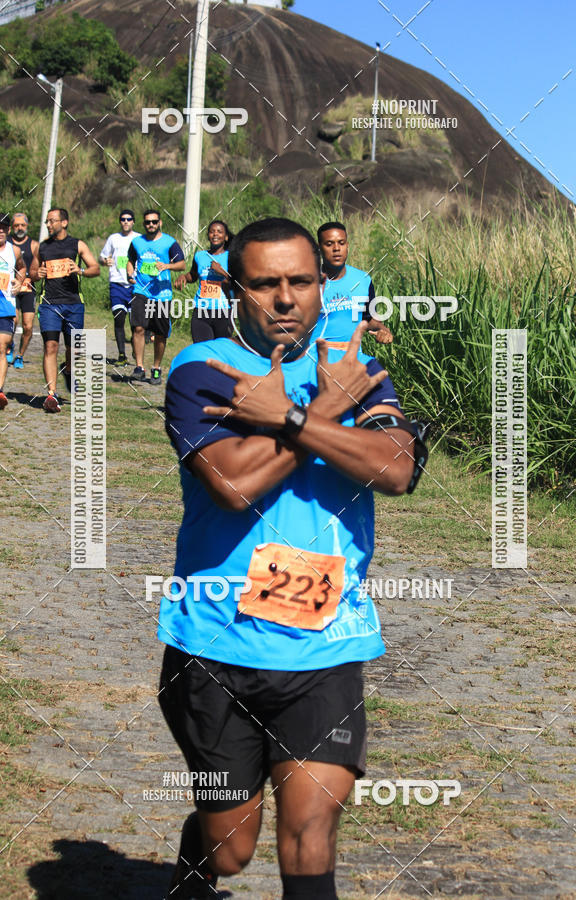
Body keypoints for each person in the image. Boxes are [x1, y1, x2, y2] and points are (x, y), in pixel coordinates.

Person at [159, 217, 427, 899]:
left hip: (324, 650)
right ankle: (196, 870)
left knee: (310, 838)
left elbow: (395, 468)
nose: (285, 298)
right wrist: (329, 421)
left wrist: (294, 418)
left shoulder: (356, 371)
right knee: (232, 848)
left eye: (300, 282)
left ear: (321, 286)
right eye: (266, 284)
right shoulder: (203, 370)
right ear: (234, 289)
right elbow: (231, 484)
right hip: (214, 647)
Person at [37, 208, 99, 412]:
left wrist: (80, 270)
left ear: (64, 222)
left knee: (74, 349)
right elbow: (32, 271)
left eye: (52, 221)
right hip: (49, 304)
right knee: (50, 346)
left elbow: (95, 269)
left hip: (73, 304)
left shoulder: (77, 244)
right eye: (47, 221)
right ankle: (52, 395)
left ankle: (69, 370)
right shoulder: (43, 247)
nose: (48, 225)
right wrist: (37, 273)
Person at [126, 209, 185, 385]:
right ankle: (139, 367)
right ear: (143, 224)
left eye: (154, 222)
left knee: (160, 334)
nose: (150, 225)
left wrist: (167, 266)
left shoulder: (169, 242)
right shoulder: (136, 242)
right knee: (138, 328)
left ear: (159, 223)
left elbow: (182, 264)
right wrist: (130, 273)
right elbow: (130, 260)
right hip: (141, 290)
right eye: (147, 222)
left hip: (162, 294)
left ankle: (157, 368)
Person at [316, 222, 393, 349]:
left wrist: (382, 329)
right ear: (319, 248)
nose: (336, 248)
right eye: (329, 244)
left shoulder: (362, 280)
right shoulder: (307, 283)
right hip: (316, 361)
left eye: (341, 243)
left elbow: (367, 318)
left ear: (347, 245)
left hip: (352, 361)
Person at [174, 219, 233, 343]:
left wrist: (221, 272)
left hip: (223, 311)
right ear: (208, 236)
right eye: (212, 232)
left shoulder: (231, 257)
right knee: (202, 350)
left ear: (226, 237)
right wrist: (184, 277)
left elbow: (238, 283)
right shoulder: (200, 256)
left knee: (220, 353)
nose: (215, 234)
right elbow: (193, 275)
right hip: (201, 309)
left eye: (219, 232)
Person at [99, 209, 140, 365]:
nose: (126, 222)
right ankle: (122, 354)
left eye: (129, 219)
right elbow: (102, 257)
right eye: (123, 219)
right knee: (119, 319)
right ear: (120, 221)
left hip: (134, 285)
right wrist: (105, 261)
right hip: (116, 284)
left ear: (133, 221)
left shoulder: (138, 239)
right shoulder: (113, 238)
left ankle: (137, 349)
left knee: (135, 323)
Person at [0, 213, 27, 409]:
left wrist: (20, 281)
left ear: (8, 230)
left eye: (3, 227)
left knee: (1, 348)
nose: (0, 230)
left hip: (6, 305)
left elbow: (22, 268)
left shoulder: (14, 250)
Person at [7, 213, 39, 369]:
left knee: (28, 326)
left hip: (28, 288)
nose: (19, 228)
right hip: (10, 288)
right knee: (13, 320)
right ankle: (9, 345)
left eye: (23, 225)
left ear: (27, 226)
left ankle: (20, 355)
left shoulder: (34, 245)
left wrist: (33, 276)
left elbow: (36, 270)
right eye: (16, 225)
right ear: (11, 227)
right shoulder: (6, 244)